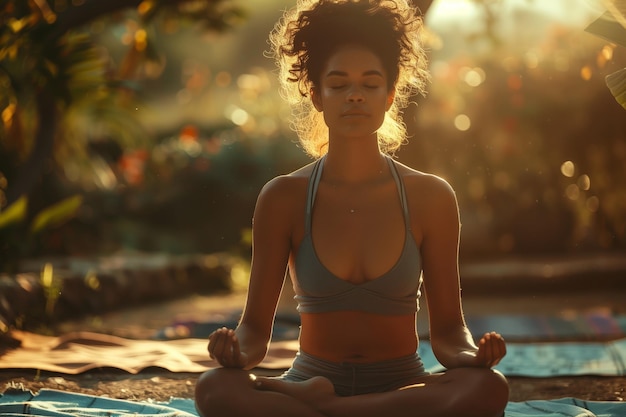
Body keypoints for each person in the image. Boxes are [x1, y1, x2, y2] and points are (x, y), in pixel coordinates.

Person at [194, 0, 509, 416]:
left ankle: (325, 410)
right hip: (320, 379)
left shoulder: (431, 197)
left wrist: (472, 356)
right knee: (215, 388)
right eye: (339, 84)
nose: (355, 95)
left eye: (370, 83)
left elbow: (450, 332)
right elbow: (254, 331)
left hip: (403, 382)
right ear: (317, 94)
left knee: (488, 388)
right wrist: (236, 353)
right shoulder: (283, 197)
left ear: (390, 94)